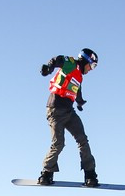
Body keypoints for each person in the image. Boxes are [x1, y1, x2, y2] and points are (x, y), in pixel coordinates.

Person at [38, 48, 100, 187]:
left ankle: (90, 175)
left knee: (82, 139)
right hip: (55, 110)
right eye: (92, 65)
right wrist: (49, 67)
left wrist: (80, 102)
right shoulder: (72, 64)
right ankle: (46, 173)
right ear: (85, 61)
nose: (91, 69)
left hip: (69, 111)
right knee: (58, 143)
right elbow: (58, 60)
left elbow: (76, 90)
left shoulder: (79, 76)